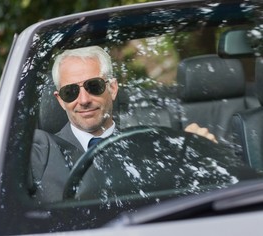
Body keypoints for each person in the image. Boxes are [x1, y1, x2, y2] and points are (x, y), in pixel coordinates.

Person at [30, 45, 218, 202]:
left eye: (94, 86)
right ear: (60, 100)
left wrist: (195, 150)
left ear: (112, 88)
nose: (84, 99)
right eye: (70, 92)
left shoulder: (149, 145)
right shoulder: (41, 151)